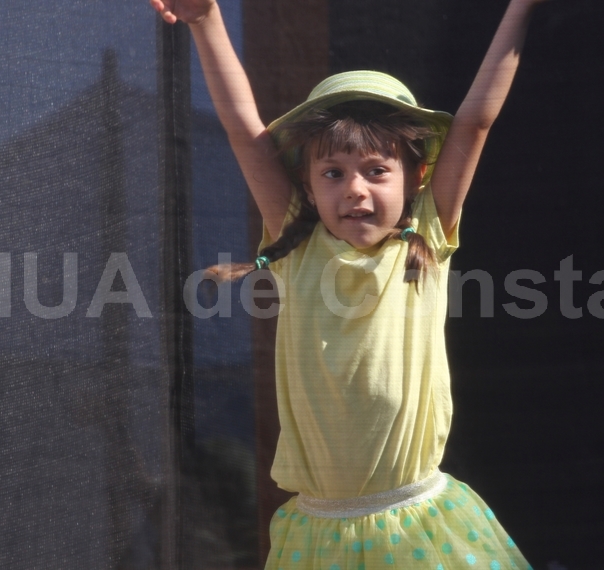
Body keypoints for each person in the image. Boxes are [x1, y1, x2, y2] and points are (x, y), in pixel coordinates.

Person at [151, 1, 549, 568]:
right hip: (321, 534)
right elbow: (245, 131)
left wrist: (521, 9)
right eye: (333, 173)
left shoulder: (425, 236)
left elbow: (475, 121)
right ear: (309, 188)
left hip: (418, 525)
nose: (355, 189)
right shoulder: (297, 245)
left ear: (417, 177)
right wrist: (206, 20)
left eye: (376, 170)